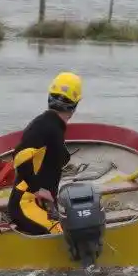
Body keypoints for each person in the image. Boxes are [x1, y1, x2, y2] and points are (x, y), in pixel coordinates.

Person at [7, 71, 83, 235]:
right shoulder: (46, 126)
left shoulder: (52, 125)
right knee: (61, 237)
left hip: (40, 205)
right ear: (75, 105)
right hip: (26, 204)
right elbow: (19, 157)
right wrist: (36, 188)